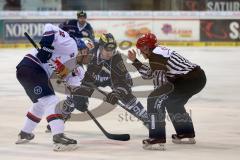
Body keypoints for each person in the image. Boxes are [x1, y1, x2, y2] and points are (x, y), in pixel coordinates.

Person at [128, 33, 206, 150]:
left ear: (146, 47)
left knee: (154, 100)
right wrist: (135, 61)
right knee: (173, 103)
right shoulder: (158, 52)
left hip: (187, 80)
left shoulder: (156, 56)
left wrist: (157, 98)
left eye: (141, 49)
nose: (141, 52)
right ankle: (186, 133)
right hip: (196, 78)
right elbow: (150, 74)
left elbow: (160, 83)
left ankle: (157, 138)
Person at [15, 23, 85, 151]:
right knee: (51, 101)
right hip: (32, 66)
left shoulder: (72, 66)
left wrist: (77, 98)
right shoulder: (71, 45)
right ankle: (58, 137)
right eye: (84, 52)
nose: (85, 56)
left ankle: (25, 133)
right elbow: (49, 27)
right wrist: (46, 46)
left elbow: (73, 86)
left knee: (41, 103)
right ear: (79, 48)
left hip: (27, 72)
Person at [72, 33, 149, 125]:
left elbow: (126, 83)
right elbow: (74, 52)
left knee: (127, 96)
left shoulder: (117, 60)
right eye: (106, 49)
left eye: (112, 49)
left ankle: (146, 118)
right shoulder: (90, 49)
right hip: (91, 77)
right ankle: (59, 120)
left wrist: (117, 93)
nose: (109, 53)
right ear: (100, 47)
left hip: (111, 80)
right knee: (74, 96)